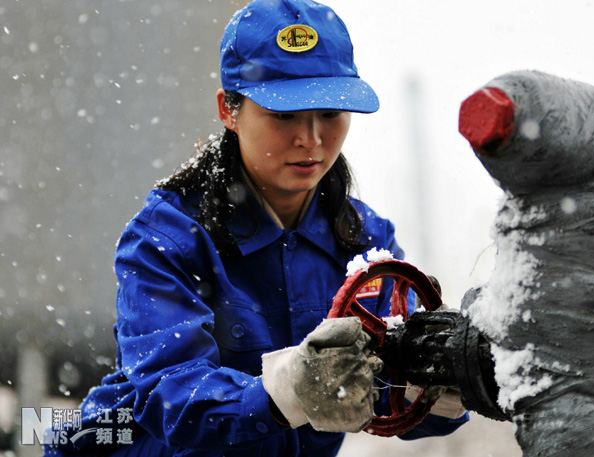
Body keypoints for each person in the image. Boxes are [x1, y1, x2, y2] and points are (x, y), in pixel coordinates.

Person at [44, 1, 467, 456]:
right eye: (284, 114)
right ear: (229, 109)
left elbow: (379, 392)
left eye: (329, 112)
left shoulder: (365, 240)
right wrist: (287, 392)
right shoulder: (167, 238)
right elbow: (171, 394)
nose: (311, 138)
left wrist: (442, 383)